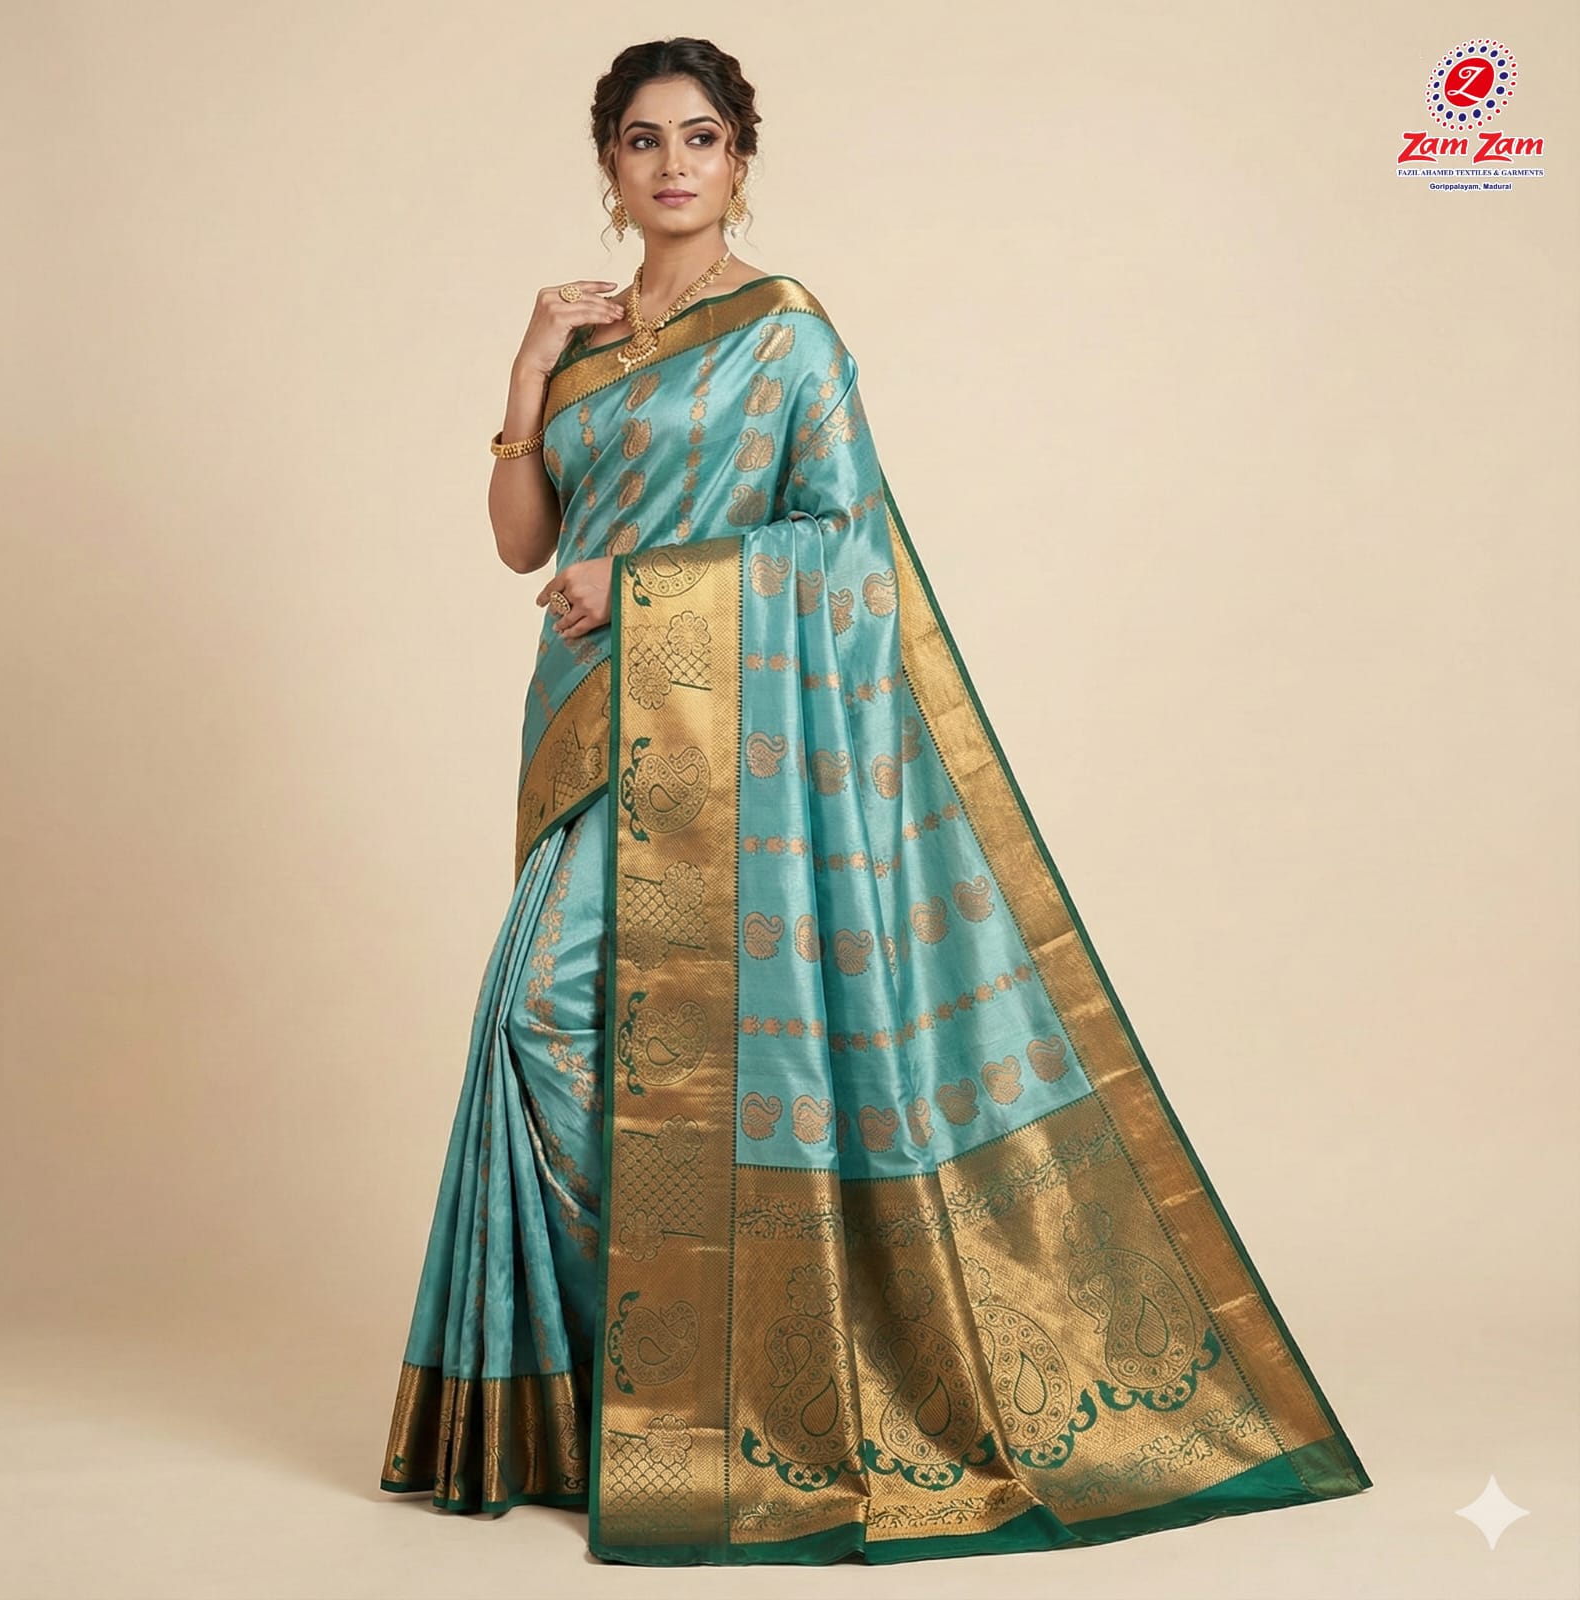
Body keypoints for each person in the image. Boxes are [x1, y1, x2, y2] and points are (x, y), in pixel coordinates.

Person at [378, 35, 1372, 1568]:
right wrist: (524, 372)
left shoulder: (785, 333)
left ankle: (717, 1385)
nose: (672, 165)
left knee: (606, 1029)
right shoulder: (580, 341)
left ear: (740, 159)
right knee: (560, 1028)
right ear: (609, 168)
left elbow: (845, 547)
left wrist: (642, 582)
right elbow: (521, 542)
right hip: (584, 724)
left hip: (731, 738)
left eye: (699, 138)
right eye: (642, 140)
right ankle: (630, 1391)